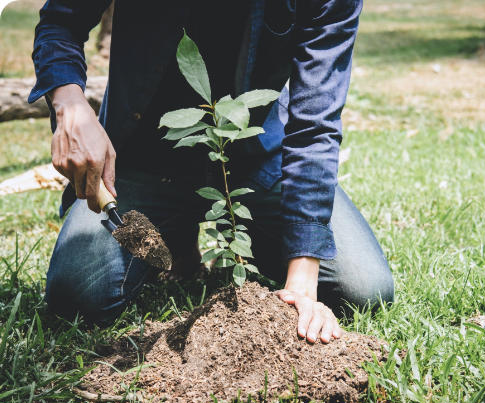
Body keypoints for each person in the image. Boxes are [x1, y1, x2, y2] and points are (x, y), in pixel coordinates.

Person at [30, 0, 394, 343]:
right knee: (76, 294)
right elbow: (62, 21)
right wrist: (70, 105)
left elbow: (314, 122)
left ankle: (233, 228)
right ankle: (174, 235)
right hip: (141, 161)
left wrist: (301, 281)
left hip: (257, 161)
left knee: (363, 288)